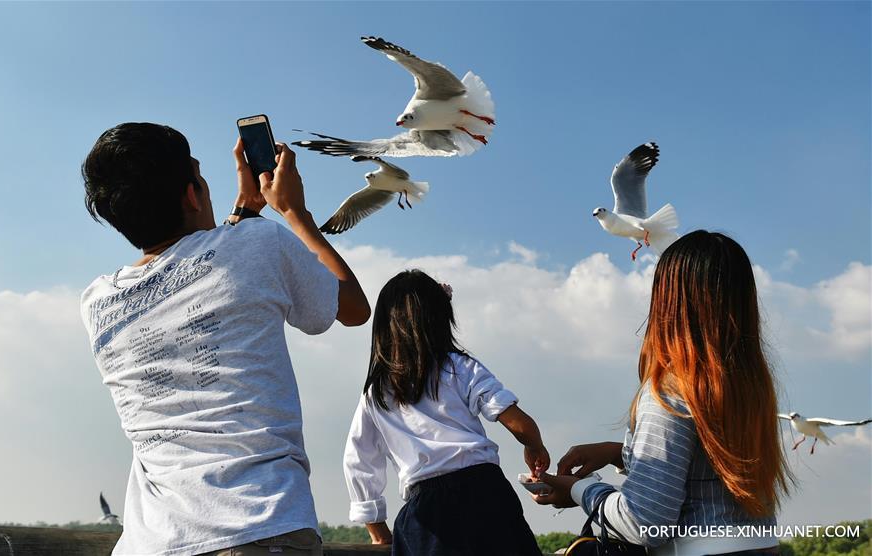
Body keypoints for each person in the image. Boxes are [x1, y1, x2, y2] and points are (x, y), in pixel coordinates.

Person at [79, 122, 370, 556]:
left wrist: (243, 212)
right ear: (193, 195)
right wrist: (294, 212)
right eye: (200, 177)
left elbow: (193, 270)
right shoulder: (260, 242)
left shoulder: (97, 302)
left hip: (152, 543)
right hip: (258, 525)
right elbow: (352, 308)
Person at [533, 231, 793, 555]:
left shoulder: (670, 393)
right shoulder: (751, 389)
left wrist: (579, 490)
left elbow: (645, 523)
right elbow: (704, 470)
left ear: (670, 303)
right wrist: (619, 453)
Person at [343, 270, 546, 556]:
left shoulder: (376, 393)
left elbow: (359, 463)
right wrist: (534, 446)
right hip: (486, 493)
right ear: (442, 318)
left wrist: (378, 532)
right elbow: (517, 421)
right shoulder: (460, 367)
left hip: (426, 512)